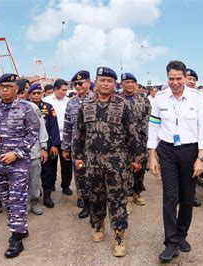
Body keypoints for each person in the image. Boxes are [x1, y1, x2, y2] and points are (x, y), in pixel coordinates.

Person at [73, 66, 144, 257]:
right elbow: (78, 133)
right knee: (95, 197)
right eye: (102, 80)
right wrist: (78, 157)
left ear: (115, 84)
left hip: (117, 162)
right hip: (92, 162)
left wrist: (137, 158)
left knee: (117, 198)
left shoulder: (122, 104)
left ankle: (119, 235)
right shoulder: (85, 104)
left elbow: (132, 133)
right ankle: (98, 225)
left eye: (109, 81)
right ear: (97, 82)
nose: (105, 84)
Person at [148, 60, 203, 262]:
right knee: (170, 197)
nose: (175, 82)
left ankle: (182, 235)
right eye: (171, 78)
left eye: (178, 78)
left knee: (187, 196)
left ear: (185, 77)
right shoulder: (160, 98)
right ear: (167, 78)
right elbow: (154, 127)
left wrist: (200, 157)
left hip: (191, 151)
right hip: (167, 151)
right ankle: (171, 243)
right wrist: (152, 155)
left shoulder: (197, 98)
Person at [0, 73, 40, 258]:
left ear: (16, 89)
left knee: (17, 199)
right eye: (1, 87)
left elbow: (33, 134)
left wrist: (16, 153)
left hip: (18, 162)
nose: (5, 90)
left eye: (9, 86)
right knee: (6, 199)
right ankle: (20, 228)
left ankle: (16, 238)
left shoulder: (26, 108)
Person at [62, 70, 93, 218]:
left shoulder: (97, 99)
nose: (78, 86)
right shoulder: (71, 102)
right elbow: (68, 126)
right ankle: (85, 203)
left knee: (96, 176)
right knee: (80, 177)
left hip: (96, 147)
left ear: (89, 82)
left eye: (81, 83)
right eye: (76, 84)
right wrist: (66, 148)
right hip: (78, 148)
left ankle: (97, 203)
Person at [119, 72, 151, 214]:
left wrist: (137, 132)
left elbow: (147, 117)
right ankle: (126, 198)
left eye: (132, 82)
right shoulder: (116, 99)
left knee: (140, 169)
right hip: (122, 142)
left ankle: (137, 193)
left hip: (140, 140)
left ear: (136, 84)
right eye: (127, 82)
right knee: (124, 170)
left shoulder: (143, 99)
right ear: (122, 84)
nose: (130, 84)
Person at [18, 81, 49, 215]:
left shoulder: (32, 108)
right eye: (17, 93)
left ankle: (35, 202)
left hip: (33, 151)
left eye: (21, 93)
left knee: (34, 180)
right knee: (17, 182)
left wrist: (43, 147)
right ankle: (19, 205)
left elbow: (41, 128)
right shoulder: (3, 109)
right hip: (14, 154)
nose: (19, 96)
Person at [28, 83, 61, 208]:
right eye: (33, 93)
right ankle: (34, 195)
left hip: (46, 145)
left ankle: (47, 196)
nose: (36, 95)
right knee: (31, 174)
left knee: (48, 172)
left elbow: (54, 127)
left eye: (38, 93)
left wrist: (54, 145)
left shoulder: (48, 107)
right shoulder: (25, 107)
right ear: (29, 94)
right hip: (30, 146)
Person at [43, 79, 73, 195]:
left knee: (66, 164)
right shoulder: (45, 101)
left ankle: (65, 185)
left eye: (66, 90)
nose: (65, 92)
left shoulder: (69, 102)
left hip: (66, 138)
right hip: (51, 138)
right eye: (63, 90)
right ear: (55, 89)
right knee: (51, 164)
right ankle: (50, 185)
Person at [185, 68, 203, 207]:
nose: (191, 81)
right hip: (175, 143)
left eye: (193, 80)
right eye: (189, 78)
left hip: (194, 141)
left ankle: (192, 195)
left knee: (193, 171)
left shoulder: (199, 97)